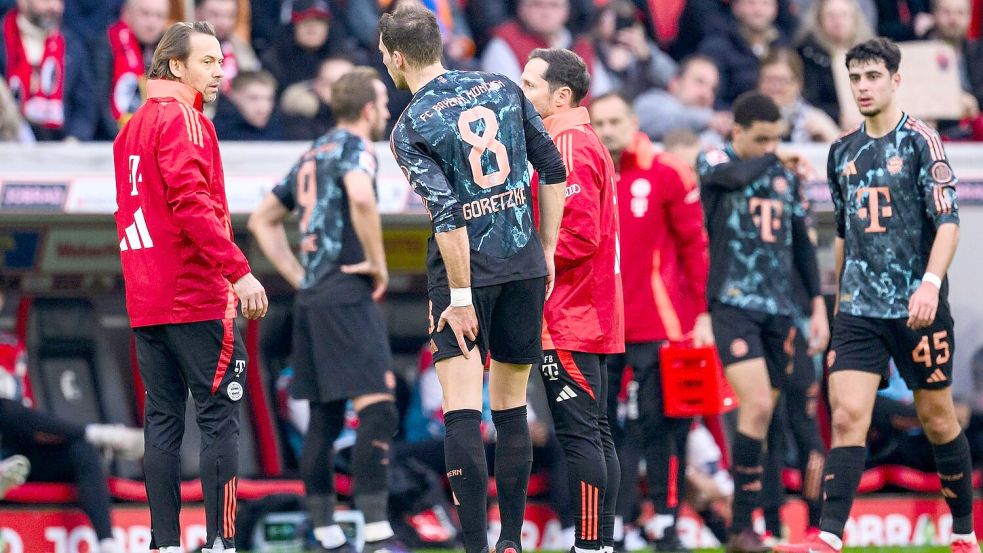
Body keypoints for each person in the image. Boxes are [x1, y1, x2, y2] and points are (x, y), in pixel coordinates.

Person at [775, 37, 978, 553]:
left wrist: (930, 284)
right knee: (846, 415)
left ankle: (964, 531)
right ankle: (828, 536)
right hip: (859, 310)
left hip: (917, 307)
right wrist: (837, 301)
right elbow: (843, 234)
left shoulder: (922, 142)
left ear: (894, 80)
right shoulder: (842, 151)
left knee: (937, 417)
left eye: (872, 77)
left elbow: (949, 223)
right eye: (856, 78)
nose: (863, 87)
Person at [379, 5, 568, 553]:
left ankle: (476, 547)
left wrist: (459, 296)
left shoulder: (410, 125)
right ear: (439, 43)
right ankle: (511, 541)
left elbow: (448, 216)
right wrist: (548, 248)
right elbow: (553, 169)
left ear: (394, 56)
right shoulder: (502, 85)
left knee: (462, 409)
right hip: (524, 262)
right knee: (510, 408)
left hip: (466, 275)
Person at [112, 20, 268, 553]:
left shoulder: (131, 127)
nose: (219, 72)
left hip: (146, 300)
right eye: (208, 62)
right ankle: (223, 542)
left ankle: (163, 544)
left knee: (162, 423)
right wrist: (238, 269)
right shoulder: (186, 119)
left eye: (222, 62)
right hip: (196, 297)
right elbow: (192, 205)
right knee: (220, 419)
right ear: (175, 65)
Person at [248, 66, 407, 553]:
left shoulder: (313, 152)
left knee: (325, 418)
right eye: (382, 103)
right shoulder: (357, 148)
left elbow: (261, 219)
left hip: (314, 298)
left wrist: (300, 278)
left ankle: (324, 531)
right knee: (378, 410)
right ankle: (377, 530)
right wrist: (378, 265)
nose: (385, 111)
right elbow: (360, 198)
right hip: (345, 292)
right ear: (366, 109)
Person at [696, 91, 829, 553]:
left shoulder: (784, 177)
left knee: (764, 416)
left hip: (779, 311)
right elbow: (729, 175)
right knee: (753, 408)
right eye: (761, 139)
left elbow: (802, 245)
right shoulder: (714, 156)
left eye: (775, 138)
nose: (770, 146)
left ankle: (750, 528)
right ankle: (741, 525)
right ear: (737, 132)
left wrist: (815, 304)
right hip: (733, 304)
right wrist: (775, 158)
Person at [589, 91, 713, 553]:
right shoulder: (586, 174)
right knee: (604, 430)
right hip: (600, 329)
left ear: (634, 121)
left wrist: (702, 313)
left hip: (658, 326)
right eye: (599, 122)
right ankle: (611, 527)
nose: (607, 130)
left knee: (660, 429)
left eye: (615, 120)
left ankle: (665, 522)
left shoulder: (667, 172)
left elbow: (695, 248)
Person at [520, 48, 624, 553]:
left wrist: (523, 255)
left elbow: (578, 234)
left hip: (570, 314)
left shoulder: (566, 144)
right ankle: (600, 542)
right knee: (597, 433)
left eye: (529, 85)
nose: (521, 93)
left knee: (582, 435)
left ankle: (588, 544)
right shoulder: (575, 139)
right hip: (586, 313)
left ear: (559, 96)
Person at [0, 290, 143, 553]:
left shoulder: (10, 345)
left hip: (19, 456)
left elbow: (25, 413)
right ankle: (99, 433)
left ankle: (107, 544)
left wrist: (55, 434)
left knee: (81, 450)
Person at [0, 0, 96, 141]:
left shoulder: (72, 44)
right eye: (46, 0)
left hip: (61, 147)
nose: (54, 7)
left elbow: (86, 104)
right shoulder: (2, 38)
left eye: (60, 1)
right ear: (23, 2)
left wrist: (74, 141)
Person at [93, 0, 170, 136]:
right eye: (145, 14)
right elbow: (99, 101)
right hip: (112, 138)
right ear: (127, 14)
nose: (152, 23)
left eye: (159, 16)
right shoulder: (107, 44)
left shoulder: (170, 52)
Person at [480, 0, 594, 87]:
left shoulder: (582, 45)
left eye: (554, 5)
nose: (546, 13)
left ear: (568, 10)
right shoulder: (503, 44)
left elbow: (601, 98)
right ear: (521, 9)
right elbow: (509, 101)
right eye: (537, 5)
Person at [795, 0, 876, 123]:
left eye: (844, 15)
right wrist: (838, 116)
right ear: (819, 20)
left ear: (855, 19)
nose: (838, 21)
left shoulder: (873, 54)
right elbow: (809, 100)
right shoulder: (807, 54)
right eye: (830, 16)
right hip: (826, 124)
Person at [698, 0, 788, 108]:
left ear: (775, 9)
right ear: (735, 7)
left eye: (765, 3)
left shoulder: (782, 46)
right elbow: (710, 98)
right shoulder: (717, 47)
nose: (758, 10)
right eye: (751, 3)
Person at [632, 55, 732, 145]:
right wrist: (707, 119)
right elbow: (662, 119)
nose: (707, 94)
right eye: (699, 82)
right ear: (675, 82)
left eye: (713, 89)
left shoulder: (714, 128)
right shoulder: (652, 102)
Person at [588, 0, 677, 100]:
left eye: (624, 20)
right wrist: (616, 71)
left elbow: (672, 79)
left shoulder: (642, 47)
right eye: (614, 19)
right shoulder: (588, 49)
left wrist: (648, 58)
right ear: (599, 21)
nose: (619, 25)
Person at [757, 47, 841, 142]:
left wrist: (828, 135)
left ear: (799, 84)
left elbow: (846, 153)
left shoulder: (814, 118)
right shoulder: (746, 118)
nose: (775, 86)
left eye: (782, 80)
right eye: (769, 79)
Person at [279, 56, 353, 141]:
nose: (337, 90)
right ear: (316, 85)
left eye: (345, 84)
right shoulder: (299, 118)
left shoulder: (367, 117)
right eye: (329, 84)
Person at [194, 0, 258, 94]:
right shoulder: (185, 47)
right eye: (214, 15)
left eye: (229, 16)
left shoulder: (239, 46)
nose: (223, 23)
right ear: (197, 12)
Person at [213, 69, 283, 140]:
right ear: (234, 96)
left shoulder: (283, 129)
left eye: (269, 99)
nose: (263, 107)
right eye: (253, 98)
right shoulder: (213, 133)